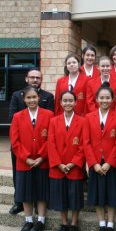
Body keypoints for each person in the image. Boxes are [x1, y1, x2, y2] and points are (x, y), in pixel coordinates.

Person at [9, 69, 54, 215]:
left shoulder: (48, 96)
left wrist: (42, 155)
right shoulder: (16, 95)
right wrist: (26, 157)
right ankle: (19, 202)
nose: (35, 79)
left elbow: (50, 127)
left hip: (42, 148)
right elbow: (13, 118)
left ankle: (40, 213)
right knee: (20, 179)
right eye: (32, 77)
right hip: (22, 148)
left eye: (38, 77)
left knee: (41, 184)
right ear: (26, 79)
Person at [84, 83, 116, 231]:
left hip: (111, 163)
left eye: (108, 97)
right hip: (96, 163)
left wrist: (110, 163)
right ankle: (101, 222)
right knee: (97, 194)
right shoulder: (89, 117)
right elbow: (86, 143)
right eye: (102, 97)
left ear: (112, 99)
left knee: (112, 194)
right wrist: (94, 163)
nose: (104, 100)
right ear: (97, 99)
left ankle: (110, 223)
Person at [48, 91, 85, 231]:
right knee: (60, 195)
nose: (68, 103)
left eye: (71, 101)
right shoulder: (53, 121)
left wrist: (72, 163)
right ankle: (64, 223)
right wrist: (59, 164)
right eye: (65, 101)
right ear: (60, 103)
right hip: (58, 166)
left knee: (75, 196)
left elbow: (83, 145)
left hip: (74, 166)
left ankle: (74, 223)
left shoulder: (82, 121)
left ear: (76, 102)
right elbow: (50, 144)